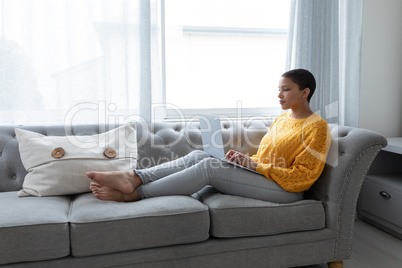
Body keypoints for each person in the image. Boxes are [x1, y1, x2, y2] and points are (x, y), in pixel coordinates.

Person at [87, 69, 331, 203]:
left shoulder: (317, 128)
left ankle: (134, 194)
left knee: (209, 167)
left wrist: (257, 167)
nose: (279, 95)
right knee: (198, 155)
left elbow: (303, 178)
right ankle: (135, 176)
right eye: (279, 90)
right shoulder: (282, 120)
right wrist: (245, 161)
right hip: (267, 178)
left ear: (305, 92)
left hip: (286, 190)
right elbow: (266, 157)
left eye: (286, 90)